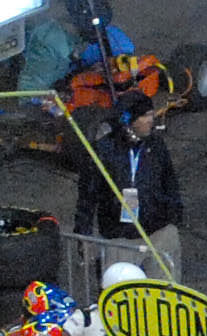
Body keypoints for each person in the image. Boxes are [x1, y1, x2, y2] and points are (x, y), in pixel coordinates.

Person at [75, 93, 183, 279]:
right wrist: (83, 234)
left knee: (166, 297)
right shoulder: (103, 151)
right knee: (121, 297)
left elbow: (170, 182)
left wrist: (174, 215)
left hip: (159, 233)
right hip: (120, 239)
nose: (152, 119)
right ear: (129, 120)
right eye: (145, 115)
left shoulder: (156, 145)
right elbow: (87, 196)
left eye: (151, 114)